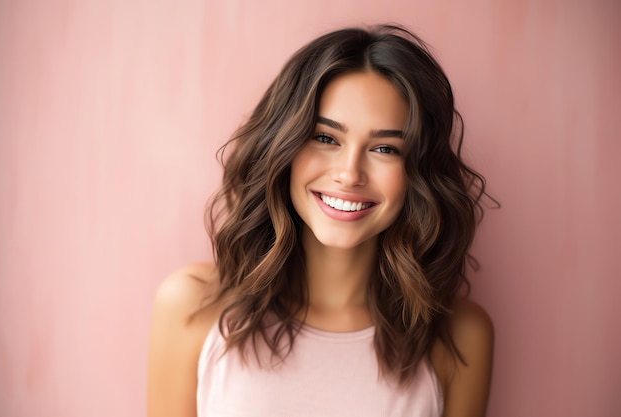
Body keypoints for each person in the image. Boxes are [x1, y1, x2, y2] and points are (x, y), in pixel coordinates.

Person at [147, 24, 494, 417]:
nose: (349, 174)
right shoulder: (191, 305)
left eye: (385, 148)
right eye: (326, 138)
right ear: (284, 147)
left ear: (419, 174)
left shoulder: (462, 338)